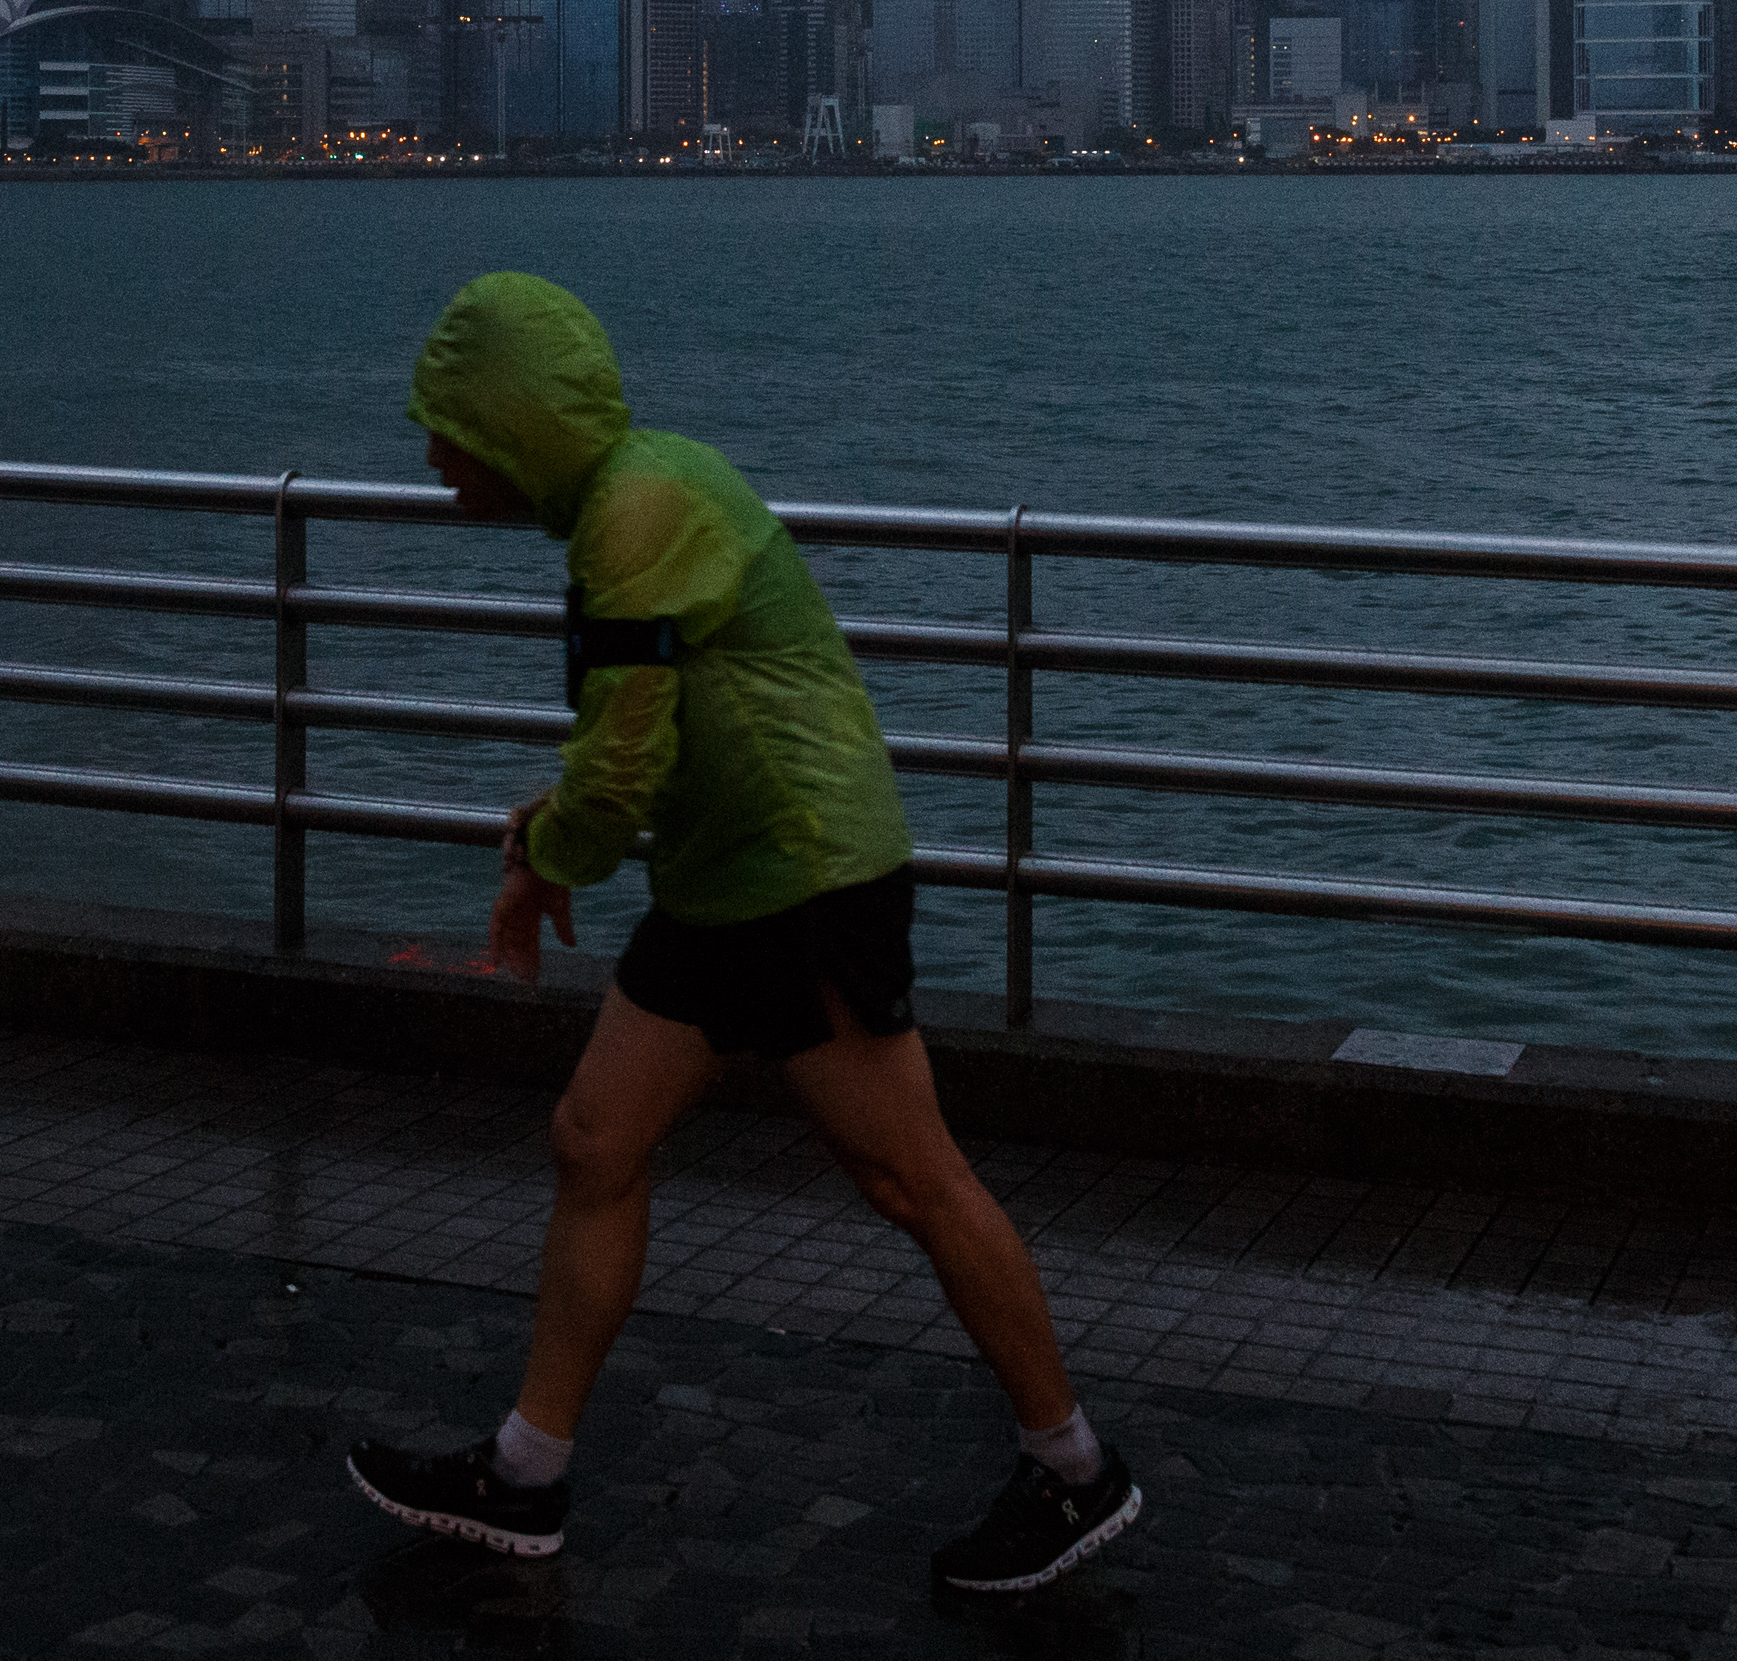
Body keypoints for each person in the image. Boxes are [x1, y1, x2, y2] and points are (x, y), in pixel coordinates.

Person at [343, 273, 1140, 1597]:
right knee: (596, 1138)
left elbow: (622, 765)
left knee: (913, 1178)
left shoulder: (637, 510)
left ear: (514, 423)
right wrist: (559, 827)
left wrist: (546, 854)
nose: (430, 456)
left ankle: (1074, 1468)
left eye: (448, 425)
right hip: (727, 880)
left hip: (798, 879)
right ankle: (526, 1475)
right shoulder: (628, 496)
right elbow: (637, 730)